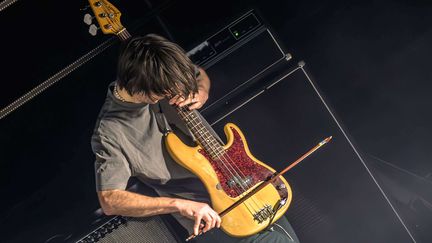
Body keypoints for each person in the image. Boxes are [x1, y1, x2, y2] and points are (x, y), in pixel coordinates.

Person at [91, 33, 299, 242]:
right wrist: (177, 204)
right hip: (214, 218)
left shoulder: (162, 66)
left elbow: (198, 73)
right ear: (139, 85)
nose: (171, 92)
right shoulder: (110, 132)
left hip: (247, 183)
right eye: (163, 92)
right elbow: (110, 200)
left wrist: (202, 90)